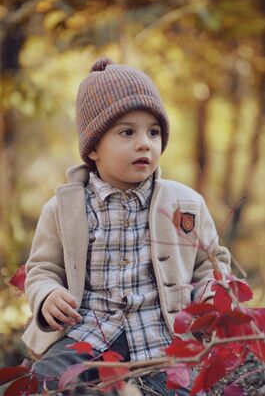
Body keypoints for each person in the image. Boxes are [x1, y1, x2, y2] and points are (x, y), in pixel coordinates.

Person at [22, 57, 231, 395]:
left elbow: (210, 262)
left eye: (154, 132)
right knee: (45, 381)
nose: (144, 143)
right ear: (93, 149)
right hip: (88, 332)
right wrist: (47, 295)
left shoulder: (185, 204)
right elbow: (42, 268)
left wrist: (210, 293)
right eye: (127, 132)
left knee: (181, 388)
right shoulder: (64, 209)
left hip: (162, 333)